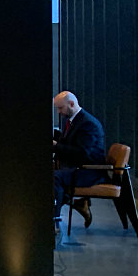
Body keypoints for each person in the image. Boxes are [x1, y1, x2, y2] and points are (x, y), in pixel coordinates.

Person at [53, 91, 107, 227]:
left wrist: (56, 146)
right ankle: (76, 204)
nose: (59, 112)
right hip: (79, 167)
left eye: (60, 108)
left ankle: (54, 221)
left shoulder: (87, 124)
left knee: (55, 178)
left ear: (71, 104)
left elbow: (82, 153)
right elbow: (69, 142)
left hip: (90, 171)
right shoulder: (75, 121)